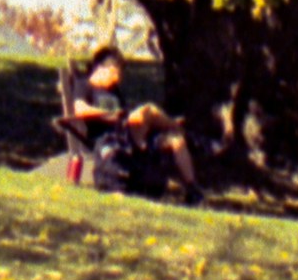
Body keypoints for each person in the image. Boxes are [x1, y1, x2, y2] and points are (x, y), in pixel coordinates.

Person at [61, 42, 200, 199]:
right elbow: (80, 109)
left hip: (129, 132)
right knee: (147, 110)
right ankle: (180, 128)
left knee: (176, 139)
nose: (118, 79)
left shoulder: (114, 90)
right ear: (101, 69)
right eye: (115, 74)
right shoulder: (85, 85)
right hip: (113, 136)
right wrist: (109, 114)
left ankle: (192, 189)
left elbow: (125, 112)